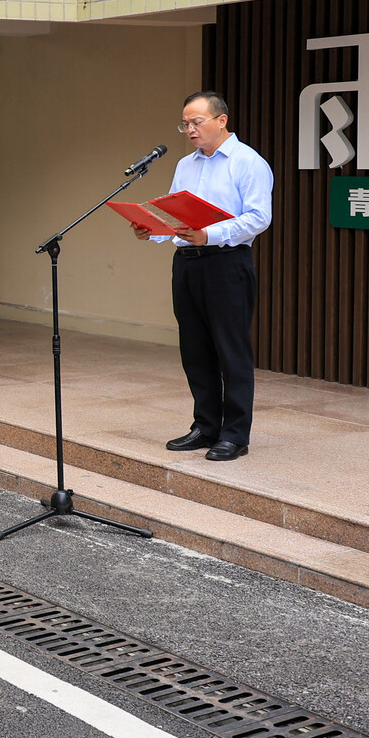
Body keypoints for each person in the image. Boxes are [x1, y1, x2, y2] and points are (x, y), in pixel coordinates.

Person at [131, 91, 274, 463]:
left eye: (196, 122)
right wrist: (152, 229)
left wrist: (210, 234)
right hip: (187, 263)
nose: (190, 130)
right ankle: (206, 426)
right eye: (185, 125)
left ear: (221, 120)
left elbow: (258, 217)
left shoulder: (248, 162)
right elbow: (174, 214)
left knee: (231, 350)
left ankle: (235, 435)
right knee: (194, 350)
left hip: (226, 264)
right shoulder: (185, 165)